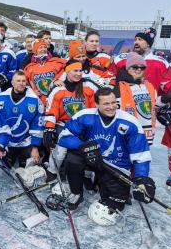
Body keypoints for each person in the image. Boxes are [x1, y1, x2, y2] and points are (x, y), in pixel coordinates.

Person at [57, 87, 155, 224]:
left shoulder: (130, 122)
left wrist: (142, 178)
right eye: (106, 104)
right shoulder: (86, 116)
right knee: (73, 159)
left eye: (113, 102)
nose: (111, 107)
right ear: (96, 104)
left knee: (115, 203)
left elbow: (141, 154)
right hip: (92, 158)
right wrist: (83, 146)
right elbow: (64, 136)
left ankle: (100, 183)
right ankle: (76, 193)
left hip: (116, 165)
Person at [43, 59, 98, 181]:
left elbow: (96, 108)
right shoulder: (58, 89)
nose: (78, 73)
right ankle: (52, 170)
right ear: (67, 71)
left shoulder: (89, 86)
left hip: (84, 126)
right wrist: (49, 128)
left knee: (91, 148)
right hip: (64, 125)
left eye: (80, 70)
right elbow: (52, 111)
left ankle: (87, 174)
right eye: (75, 70)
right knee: (61, 149)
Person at [0, 71, 44, 168]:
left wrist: (35, 147)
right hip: (6, 143)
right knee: (4, 169)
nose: (21, 83)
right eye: (18, 81)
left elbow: (38, 125)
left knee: (32, 165)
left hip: (26, 142)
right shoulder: (1, 98)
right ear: (12, 83)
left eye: (23, 81)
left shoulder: (34, 99)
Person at [113, 53, 157, 145]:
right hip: (127, 135)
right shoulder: (119, 86)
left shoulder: (149, 85)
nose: (139, 70)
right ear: (128, 68)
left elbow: (153, 106)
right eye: (135, 67)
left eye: (142, 67)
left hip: (147, 134)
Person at [23, 39, 66, 106]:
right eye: (40, 47)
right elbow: (25, 83)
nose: (43, 49)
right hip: (39, 101)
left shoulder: (55, 62)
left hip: (55, 100)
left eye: (45, 47)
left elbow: (69, 69)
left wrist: (58, 79)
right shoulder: (29, 67)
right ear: (35, 51)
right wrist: (31, 92)